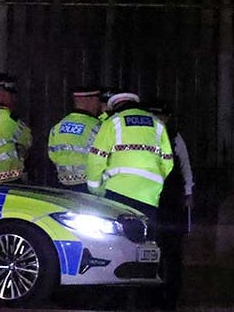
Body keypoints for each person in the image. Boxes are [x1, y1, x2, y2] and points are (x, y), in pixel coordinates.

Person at [85, 92, 174, 223]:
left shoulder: (112, 122)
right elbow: (167, 161)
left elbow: (97, 158)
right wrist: (155, 179)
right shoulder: (158, 123)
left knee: (119, 236)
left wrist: (95, 187)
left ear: (115, 107)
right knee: (146, 237)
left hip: (118, 190)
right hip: (149, 194)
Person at [145, 100, 194, 310]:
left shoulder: (174, 136)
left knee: (172, 252)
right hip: (151, 198)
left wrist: (188, 192)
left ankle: (171, 296)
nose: (159, 121)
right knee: (153, 249)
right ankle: (153, 295)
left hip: (170, 201)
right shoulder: (146, 135)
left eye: (161, 117)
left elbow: (185, 166)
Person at [47, 87, 103, 192]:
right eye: (97, 100)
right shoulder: (97, 127)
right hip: (89, 186)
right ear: (91, 100)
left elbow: (52, 155)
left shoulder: (58, 127)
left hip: (62, 184)